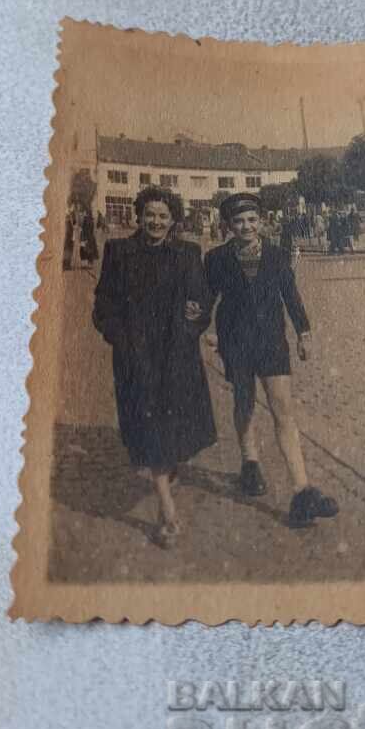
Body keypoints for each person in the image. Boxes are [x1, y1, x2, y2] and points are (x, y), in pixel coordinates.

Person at [92, 185, 217, 548]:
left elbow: (201, 301)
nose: (156, 222)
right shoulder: (118, 252)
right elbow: (103, 304)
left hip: (177, 356)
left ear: (174, 220)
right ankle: (167, 512)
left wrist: (192, 324)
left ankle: (165, 472)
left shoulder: (188, 253)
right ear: (139, 216)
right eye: (150, 214)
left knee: (174, 428)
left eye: (163, 216)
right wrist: (120, 338)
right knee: (152, 428)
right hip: (137, 357)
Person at [205, 192, 338, 530]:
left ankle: (302, 490)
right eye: (238, 221)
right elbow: (206, 298)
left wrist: (303, 333)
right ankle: (250, 463)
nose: (246, 226)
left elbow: (291, 296)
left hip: (271, 343)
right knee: (244, 402)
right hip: (235, 343)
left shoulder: (277, 255)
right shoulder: (217, 258)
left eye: (252, 220)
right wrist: (205, 330)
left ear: (261, 221)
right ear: (228, 225)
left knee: (283, 410)